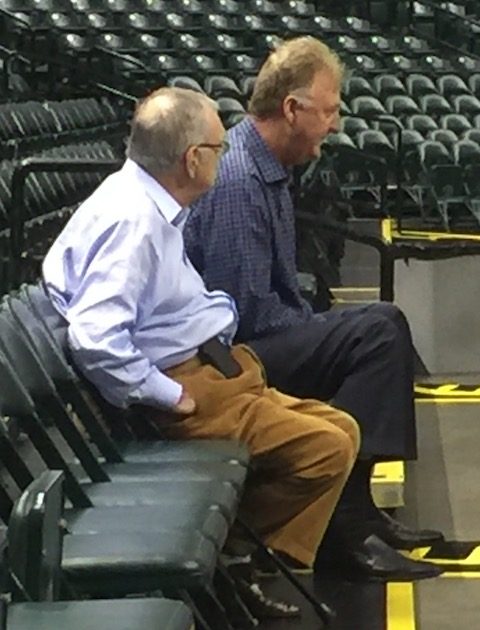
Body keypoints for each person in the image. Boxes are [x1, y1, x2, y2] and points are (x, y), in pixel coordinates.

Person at [40, 87, 359, 617]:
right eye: (218, 147)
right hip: (192, 389)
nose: (225, 155)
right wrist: (169, 395)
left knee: (343, 430)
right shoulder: (134, 223)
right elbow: (95, 336)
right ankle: (230, 566)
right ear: (193, 159)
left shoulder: (146, 204)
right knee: (326, 450)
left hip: (220, 370)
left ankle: (231, 564)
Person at [183, 37, 441, 581]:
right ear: (292, 109)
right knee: (377, 331)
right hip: (231, 361)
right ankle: (344, 526)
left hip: (253, 339)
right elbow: (243, 313)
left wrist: (316, 325)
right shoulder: (238, 182)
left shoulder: (268, 169)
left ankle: (359, 507)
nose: (336, 123)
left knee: (375, 327)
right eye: (328, 110)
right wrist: (318, 329)